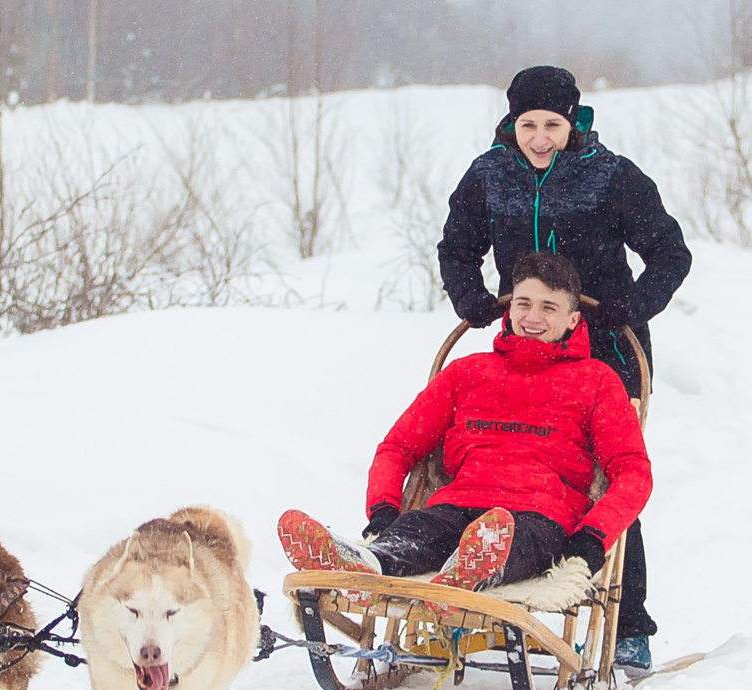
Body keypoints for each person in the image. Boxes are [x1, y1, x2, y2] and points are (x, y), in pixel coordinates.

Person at [439, 65, 688, 669]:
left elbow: (669, 251)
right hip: (527, 345)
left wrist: (631, 306)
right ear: (511, 123)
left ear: (573, 123)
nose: (540, 138)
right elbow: (456, 246)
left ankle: (627, 624)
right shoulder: (490, 175)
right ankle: (491, 589)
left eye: (552, 124)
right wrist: (470, 297)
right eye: (528, 124)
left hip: (607, 348)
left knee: (604, 477)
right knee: (515, 464)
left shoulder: (610, 176)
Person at [277, 254, 653, 626]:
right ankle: (368, 562)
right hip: (458, 505)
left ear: (573, 319)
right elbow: (397, 447)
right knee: (418, 532)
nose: (533, 317)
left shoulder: (597, 380)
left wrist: (592, 537)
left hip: (540, 516)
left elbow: (632, 471)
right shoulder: (467, 372)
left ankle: (470, 571)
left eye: (548, 307)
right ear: (511, 308)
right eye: (524, 303)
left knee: (510, 539)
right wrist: (383, 511)